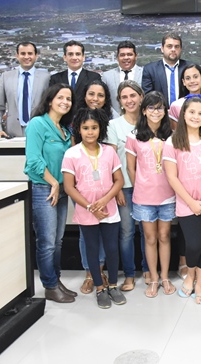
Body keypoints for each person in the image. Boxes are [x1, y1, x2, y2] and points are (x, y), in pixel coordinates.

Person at [62, 108, 126, 309]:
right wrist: (90, 206)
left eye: (94, 128)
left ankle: (113, 285)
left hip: (109, 210)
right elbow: (69, 187)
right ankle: (99, 287)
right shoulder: (71, 154)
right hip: (86, 211)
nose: (90, 132)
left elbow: (119, 180)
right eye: (86, 128)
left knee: (112, 248)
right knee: (91, 249)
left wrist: (106, 199)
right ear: (78, 130)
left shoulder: (109, 151)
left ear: (101, 129)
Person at [164, 95, 201, 307]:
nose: (196, 116)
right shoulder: (173, 142)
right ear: (183, 115)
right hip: (187, 203)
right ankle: (190, 275)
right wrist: (191, 202)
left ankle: (199, 285)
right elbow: (172, 176)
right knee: (194, 244)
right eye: (192, 112)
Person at [24, 83, 76, 303]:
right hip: (44, 190)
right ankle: (49, 285)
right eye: (60, 98)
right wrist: (54, 183)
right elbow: (33, 161)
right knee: (46, 241)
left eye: (69, 99)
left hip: (62, 190)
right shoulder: (37, 124)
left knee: (58, 241)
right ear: (49, 100)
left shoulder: (66, 130)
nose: (65, 102)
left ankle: (56, 280)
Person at [125, 91, 176, 298]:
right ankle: (153, 277)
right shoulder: (133, 136)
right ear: (144, 111)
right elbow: (131, 168)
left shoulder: (172, 136)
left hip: (167, 195)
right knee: (149, 237)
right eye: (152, 108)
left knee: (164, 236)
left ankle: (164, 276)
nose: (156, 112)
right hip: (144, 197)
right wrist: (142, 187)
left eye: (160, 108)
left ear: (165, 111)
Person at [74, 79, 116, 294]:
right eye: (92, 94)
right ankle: (91, 274)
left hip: (107, 190)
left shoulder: (112, 120)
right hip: (84, 189)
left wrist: (110, 194)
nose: (95, 99)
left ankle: (101, 272)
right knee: (87, 234)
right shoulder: (78, 118)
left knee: (106, 233)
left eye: (100, 95)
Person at [105, 81, 147, 291]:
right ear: (120, 102)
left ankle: (148, 269)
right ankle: (129, 274)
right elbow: (111, 160)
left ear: (141, 97)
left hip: (149, 188)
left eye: (133, 95)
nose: (129, 100)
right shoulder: (114, 126)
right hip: (126, 187)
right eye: (124, 97)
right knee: (127, 232)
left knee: (149, 232)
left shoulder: (151, 122)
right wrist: (117, 187)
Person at [0, 41, 50, 138]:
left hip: (41, 132)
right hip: (12, 134)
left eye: (30, 53)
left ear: (36, 56)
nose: (26, 57)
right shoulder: (6, 77)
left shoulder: (46, 78)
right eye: (23, 53)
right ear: (17, 56)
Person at [168, 64, 201, 129]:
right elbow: (175, 135)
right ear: (184, 82)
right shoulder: (175, 106)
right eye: (188, 78)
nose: (192, 81)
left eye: (195, 77)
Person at [141, 33, 188, 105]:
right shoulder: (150, 69)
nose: (173, 49)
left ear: (180, 49)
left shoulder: (189, 67)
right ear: (162, 49)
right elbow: (148, 98)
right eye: (169, 46)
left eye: (176, 47)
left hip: (185, 113)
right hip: (159, 113)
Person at [101, 41, 143, 115]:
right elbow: (104, 101)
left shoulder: (145, 73)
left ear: (136, 56)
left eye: (129, 54)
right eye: (122, 55)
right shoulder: (107, 76)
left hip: (141, 120)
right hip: (114, 121)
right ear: (117, 57)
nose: (126, 58)